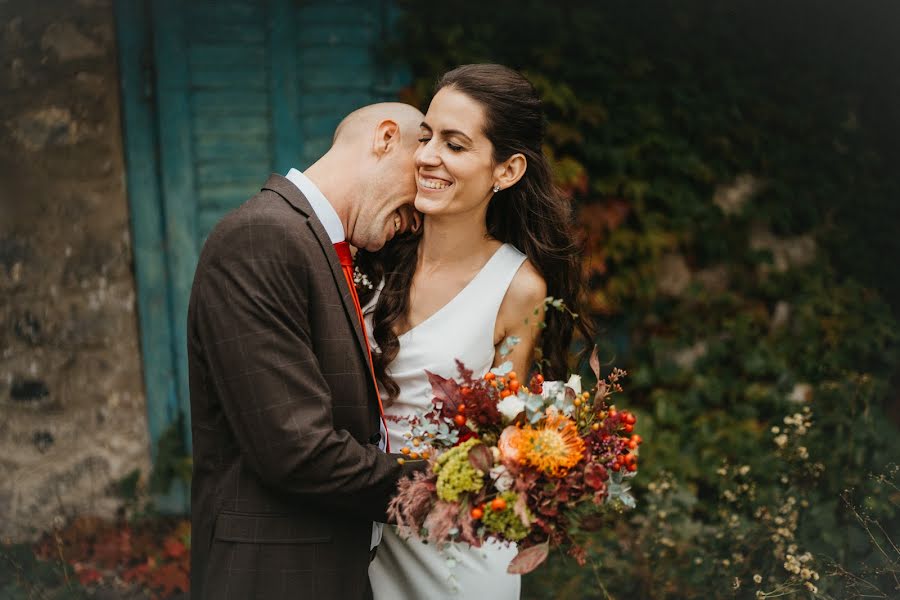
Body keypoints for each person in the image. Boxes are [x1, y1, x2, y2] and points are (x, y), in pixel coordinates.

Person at [361, 64, 591, 598]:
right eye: (426, 137)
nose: (426, 156)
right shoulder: (371, 253)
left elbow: (500, 438)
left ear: (506, 171)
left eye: (455, 145)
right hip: (360, 528)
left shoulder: (517, 288)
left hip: (452, 551)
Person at [187, 102, 428, 600]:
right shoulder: (261, 237)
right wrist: (444, 483)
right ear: (385, 139)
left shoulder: (323, 246)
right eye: (419, 171)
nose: (416, 220)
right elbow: (296, 450)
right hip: (272, 573)